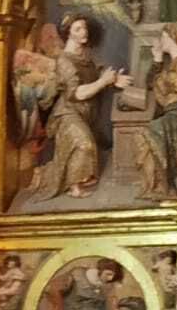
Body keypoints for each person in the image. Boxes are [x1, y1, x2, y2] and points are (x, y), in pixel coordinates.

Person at [28, 15, 132, 201]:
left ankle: (75, 180)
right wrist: (103, 82)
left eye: (84, 28)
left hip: (86, 114)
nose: (84, 32)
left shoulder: (85, 57)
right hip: (67, 114)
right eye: (78, 29)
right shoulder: (64, 61)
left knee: (88, 148)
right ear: (68, 34)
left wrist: (114, 80)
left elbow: (96, 73)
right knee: (83, 144)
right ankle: (73, 187)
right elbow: (77, 94)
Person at [138, 25, 177, 199]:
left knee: (151, 131)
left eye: (163, 37)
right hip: (168, 111)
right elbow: (150, 83)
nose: (161, 41)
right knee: (147, 133)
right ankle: (157, 185)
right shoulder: (170, 63)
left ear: (172, 37)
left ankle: (166, 184)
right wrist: (157, 59)